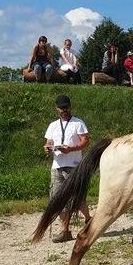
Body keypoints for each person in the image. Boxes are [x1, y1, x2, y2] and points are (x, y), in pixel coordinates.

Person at [43, 94, 92, 242]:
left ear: (70, 107)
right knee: (58, 198)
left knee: (78, 197)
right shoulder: (53, 125)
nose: (64, 110)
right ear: (56, 108)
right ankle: (65, 230)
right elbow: (49, 141)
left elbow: (85, 142)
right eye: (61, 108)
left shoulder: (78, 123)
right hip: (57, 166)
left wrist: (71, 149)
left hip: (74, 166)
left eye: (66, 107)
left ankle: (89, 219)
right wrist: (47, 148)